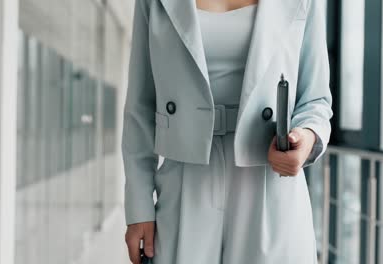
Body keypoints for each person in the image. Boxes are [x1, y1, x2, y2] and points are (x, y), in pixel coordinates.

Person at [121, 0, 333, 263]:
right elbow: (140, 107)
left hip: (269, 177)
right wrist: (139, 205)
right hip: (186, 176)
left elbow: (315, 100)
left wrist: (306, 137)